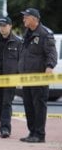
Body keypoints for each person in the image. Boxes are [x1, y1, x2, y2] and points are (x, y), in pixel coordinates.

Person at [18, 8, 57, 143]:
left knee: (39, 106)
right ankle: (32, 132)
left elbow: (51, 53)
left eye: (26, 17)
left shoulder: (45, 34)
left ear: (34, 19)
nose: (24, 19)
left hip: (38, 77)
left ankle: (39, 135)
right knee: (28, 105)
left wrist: (49, 67)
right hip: (26, 77)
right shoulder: (27, 33)